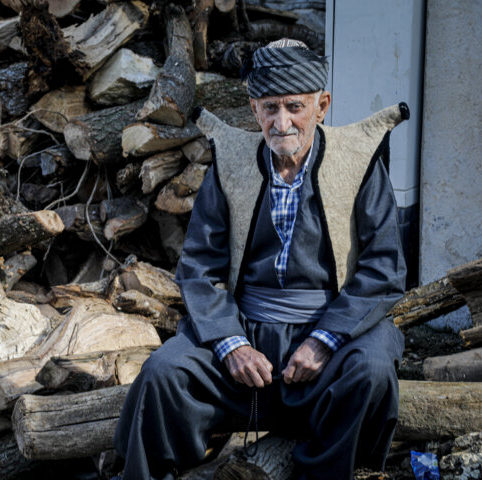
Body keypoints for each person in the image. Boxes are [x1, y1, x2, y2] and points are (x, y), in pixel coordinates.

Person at [112, 38, 410, 480]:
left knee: (371, 369)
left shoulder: (358, 163)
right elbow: (199, 268)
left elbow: (383, 267)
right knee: (163, 371)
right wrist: (231, 344)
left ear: (322, 105)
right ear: (254, 111)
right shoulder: (231, 165)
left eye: (295, 106)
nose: (282, 122)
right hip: (245, 331)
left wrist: (324, 340)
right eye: (270, 108)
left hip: (333, 330)